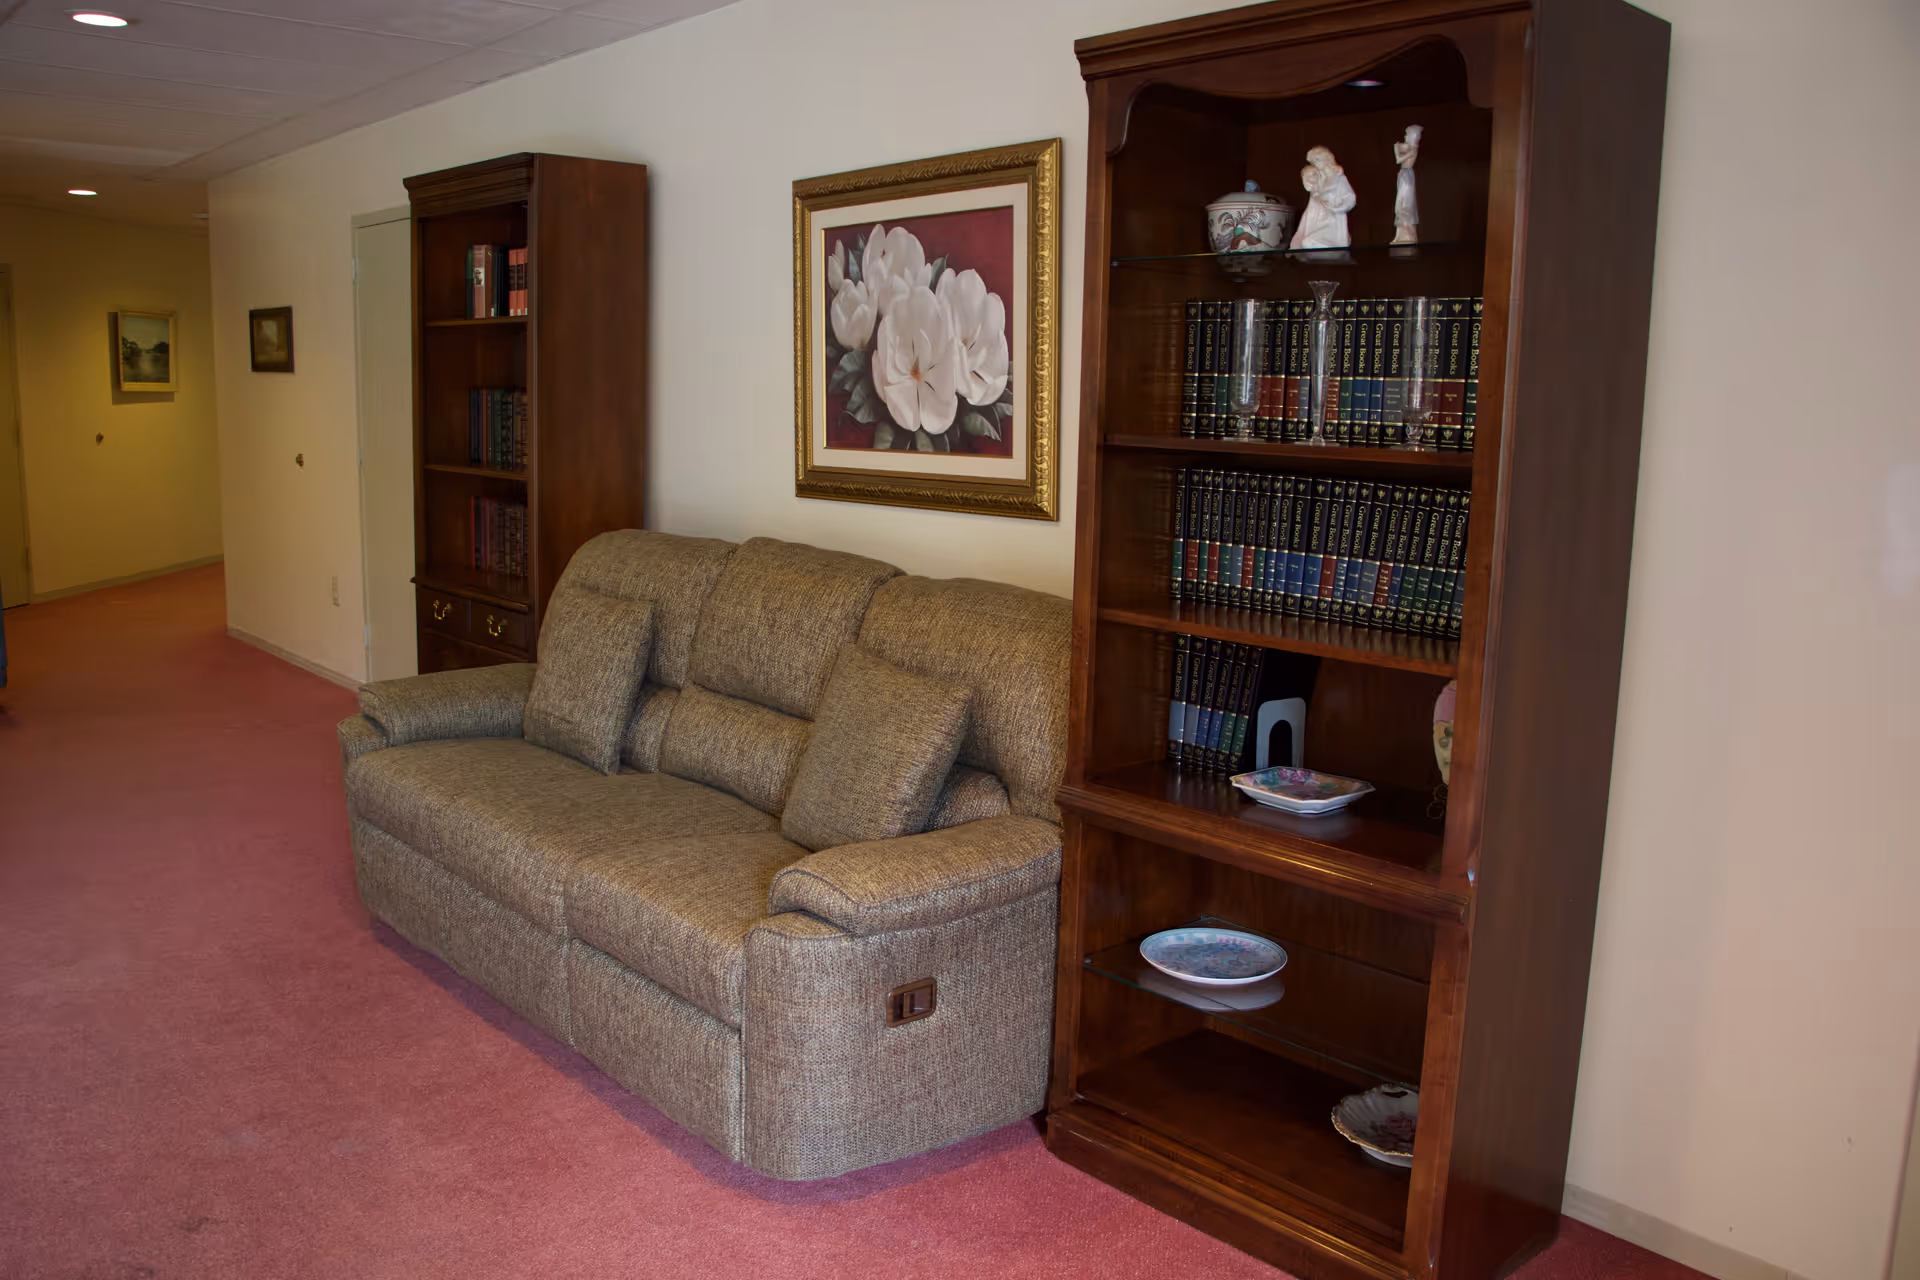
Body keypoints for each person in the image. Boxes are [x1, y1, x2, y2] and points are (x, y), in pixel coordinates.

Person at [1290, 146, 1355, 250]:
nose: (1316, 164)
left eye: (1317, 160)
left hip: (1333, 222)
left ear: (1325, 159)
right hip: (1317, 220)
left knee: (1309, 243)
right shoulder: (1317, 178)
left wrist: (1338, 207)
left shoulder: (1338, 177)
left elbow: (1350, 198)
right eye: (1313, 162)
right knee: (1305, 242)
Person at [1392, 125, 1424, 245]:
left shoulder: (1413, 149)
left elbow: (1398, 159)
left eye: (1407, 135)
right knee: (1400, 204)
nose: (1405, 137)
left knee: (1405, 204)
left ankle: (1407, 234)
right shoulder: (1408, 148)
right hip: (1403, 175)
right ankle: (1400, 234)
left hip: (1407, 177)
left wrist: (1396, 148)